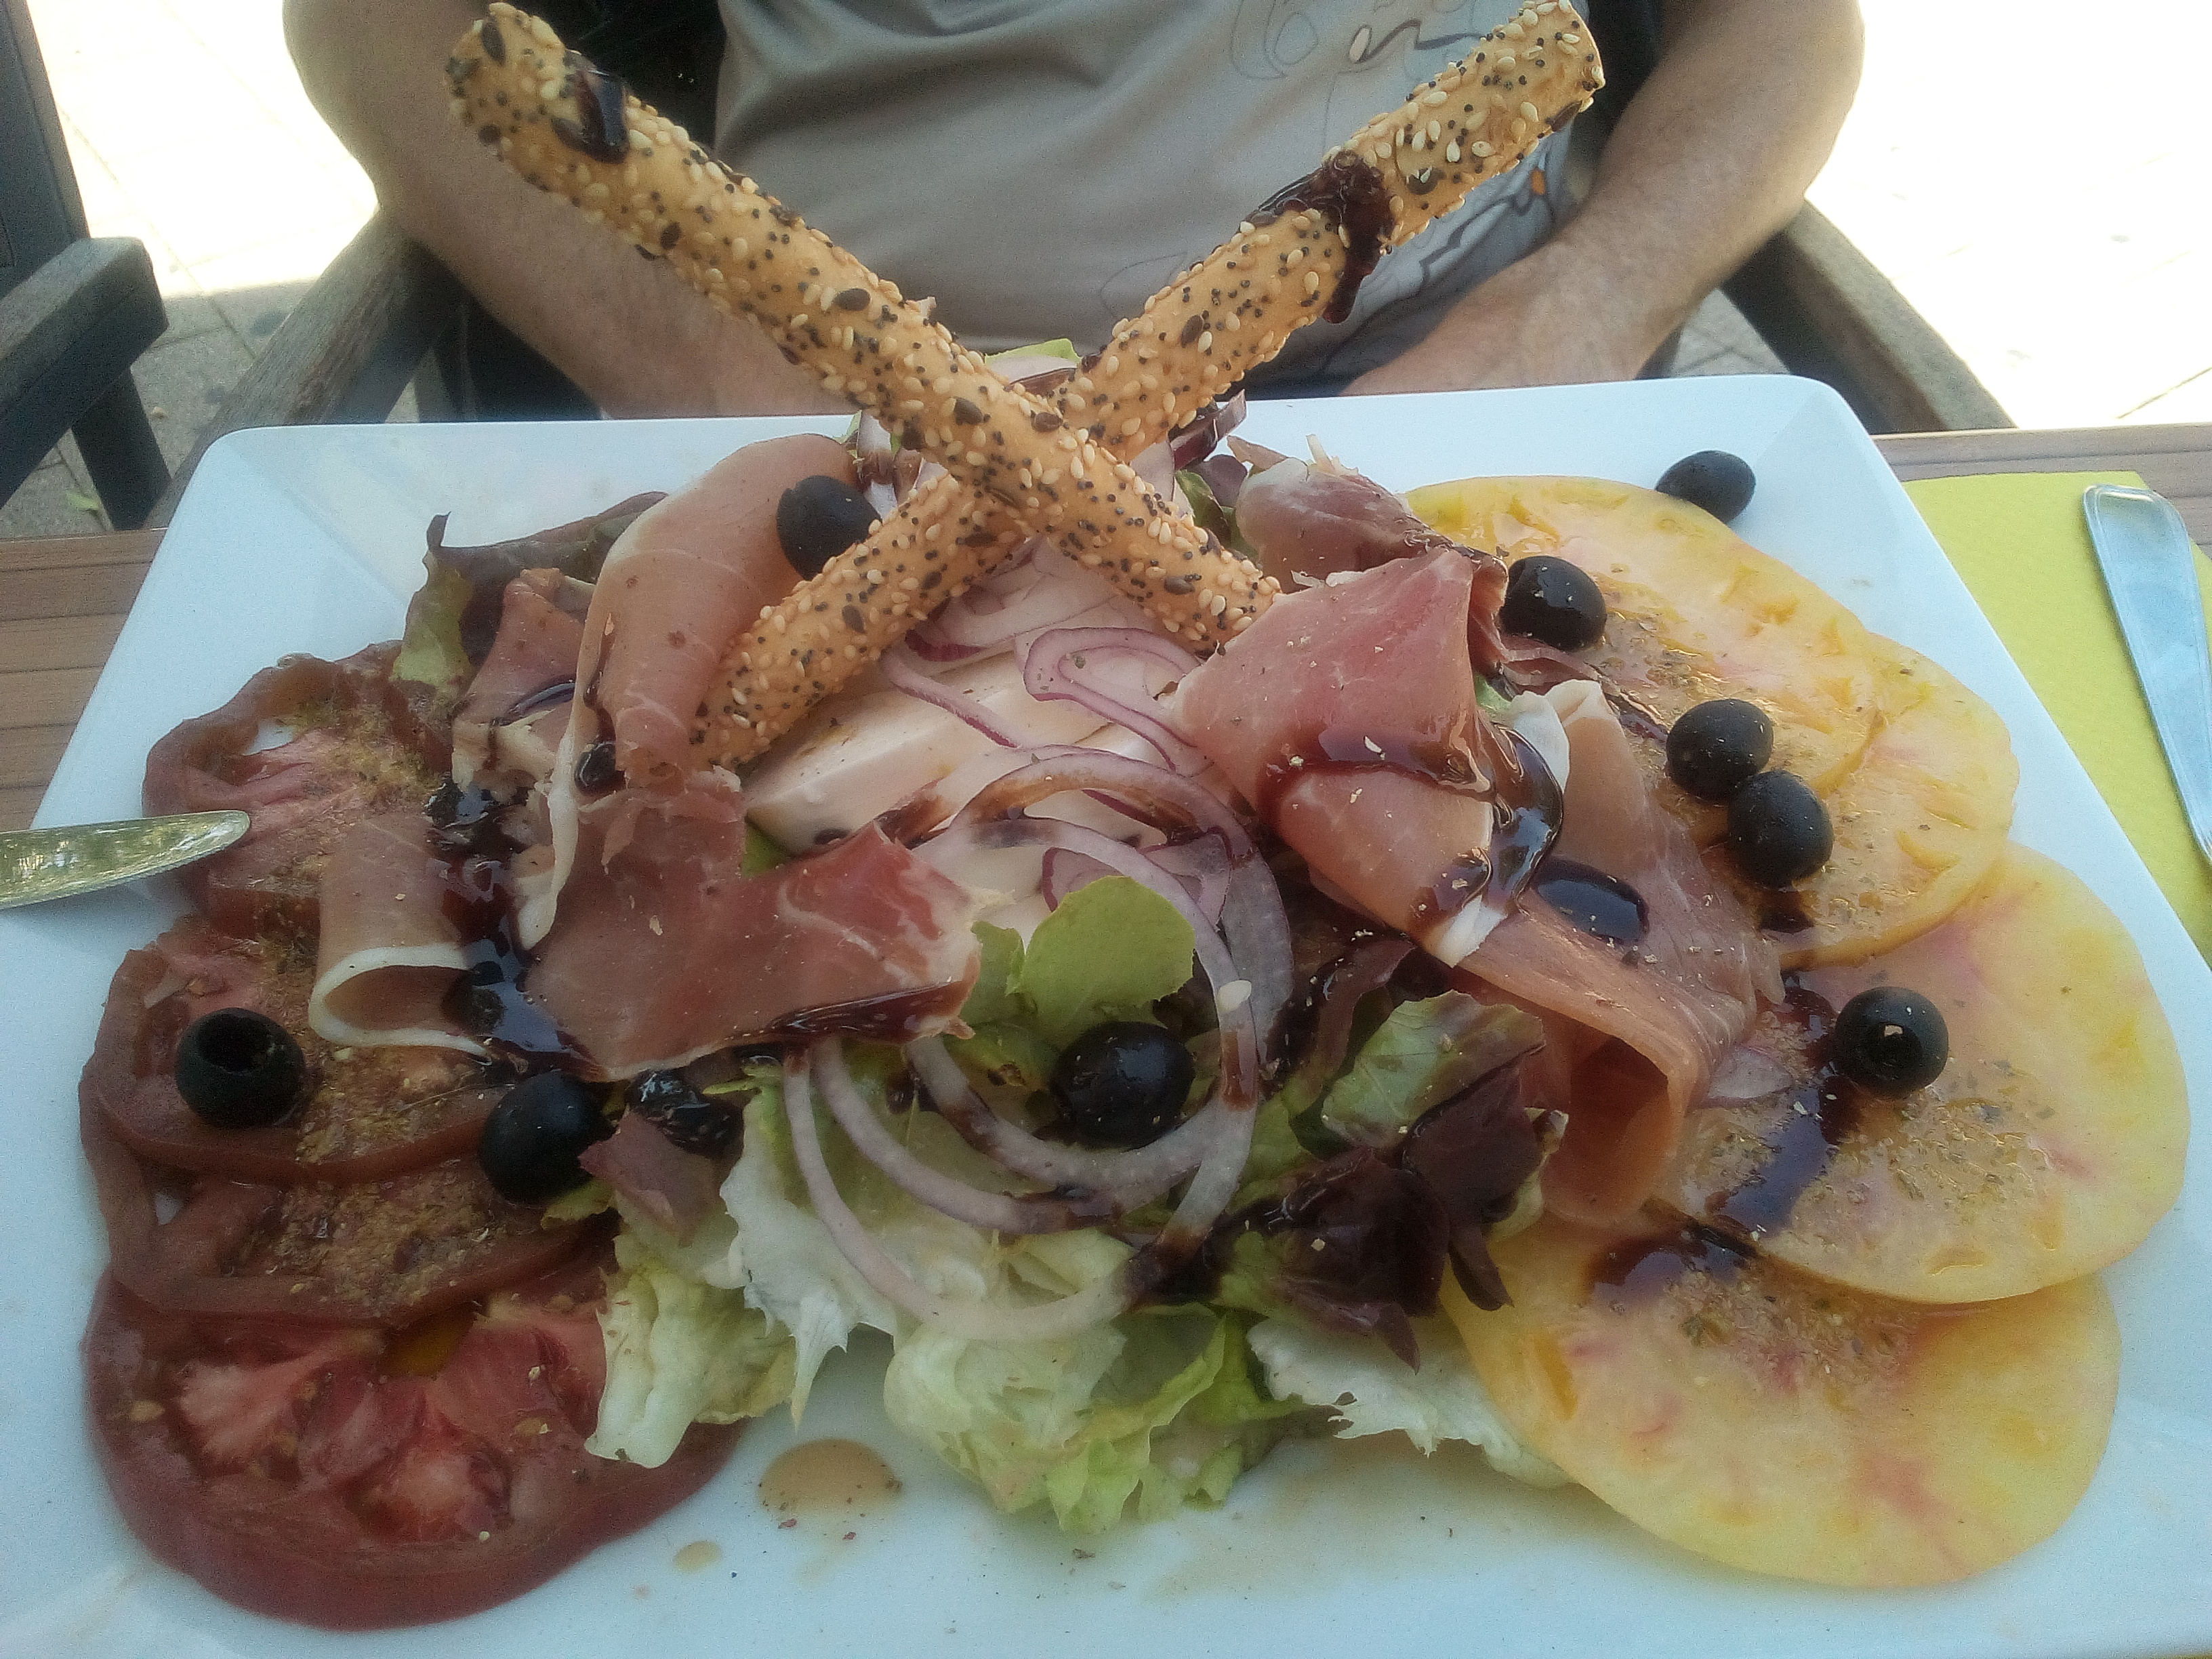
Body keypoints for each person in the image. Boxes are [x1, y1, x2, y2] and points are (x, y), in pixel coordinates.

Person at [287, 0, 1862, 416]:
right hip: (830, 405)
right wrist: (694, 362)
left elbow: (1785, 24)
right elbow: (370, 20)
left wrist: (1575, 310)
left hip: (1449, 378)